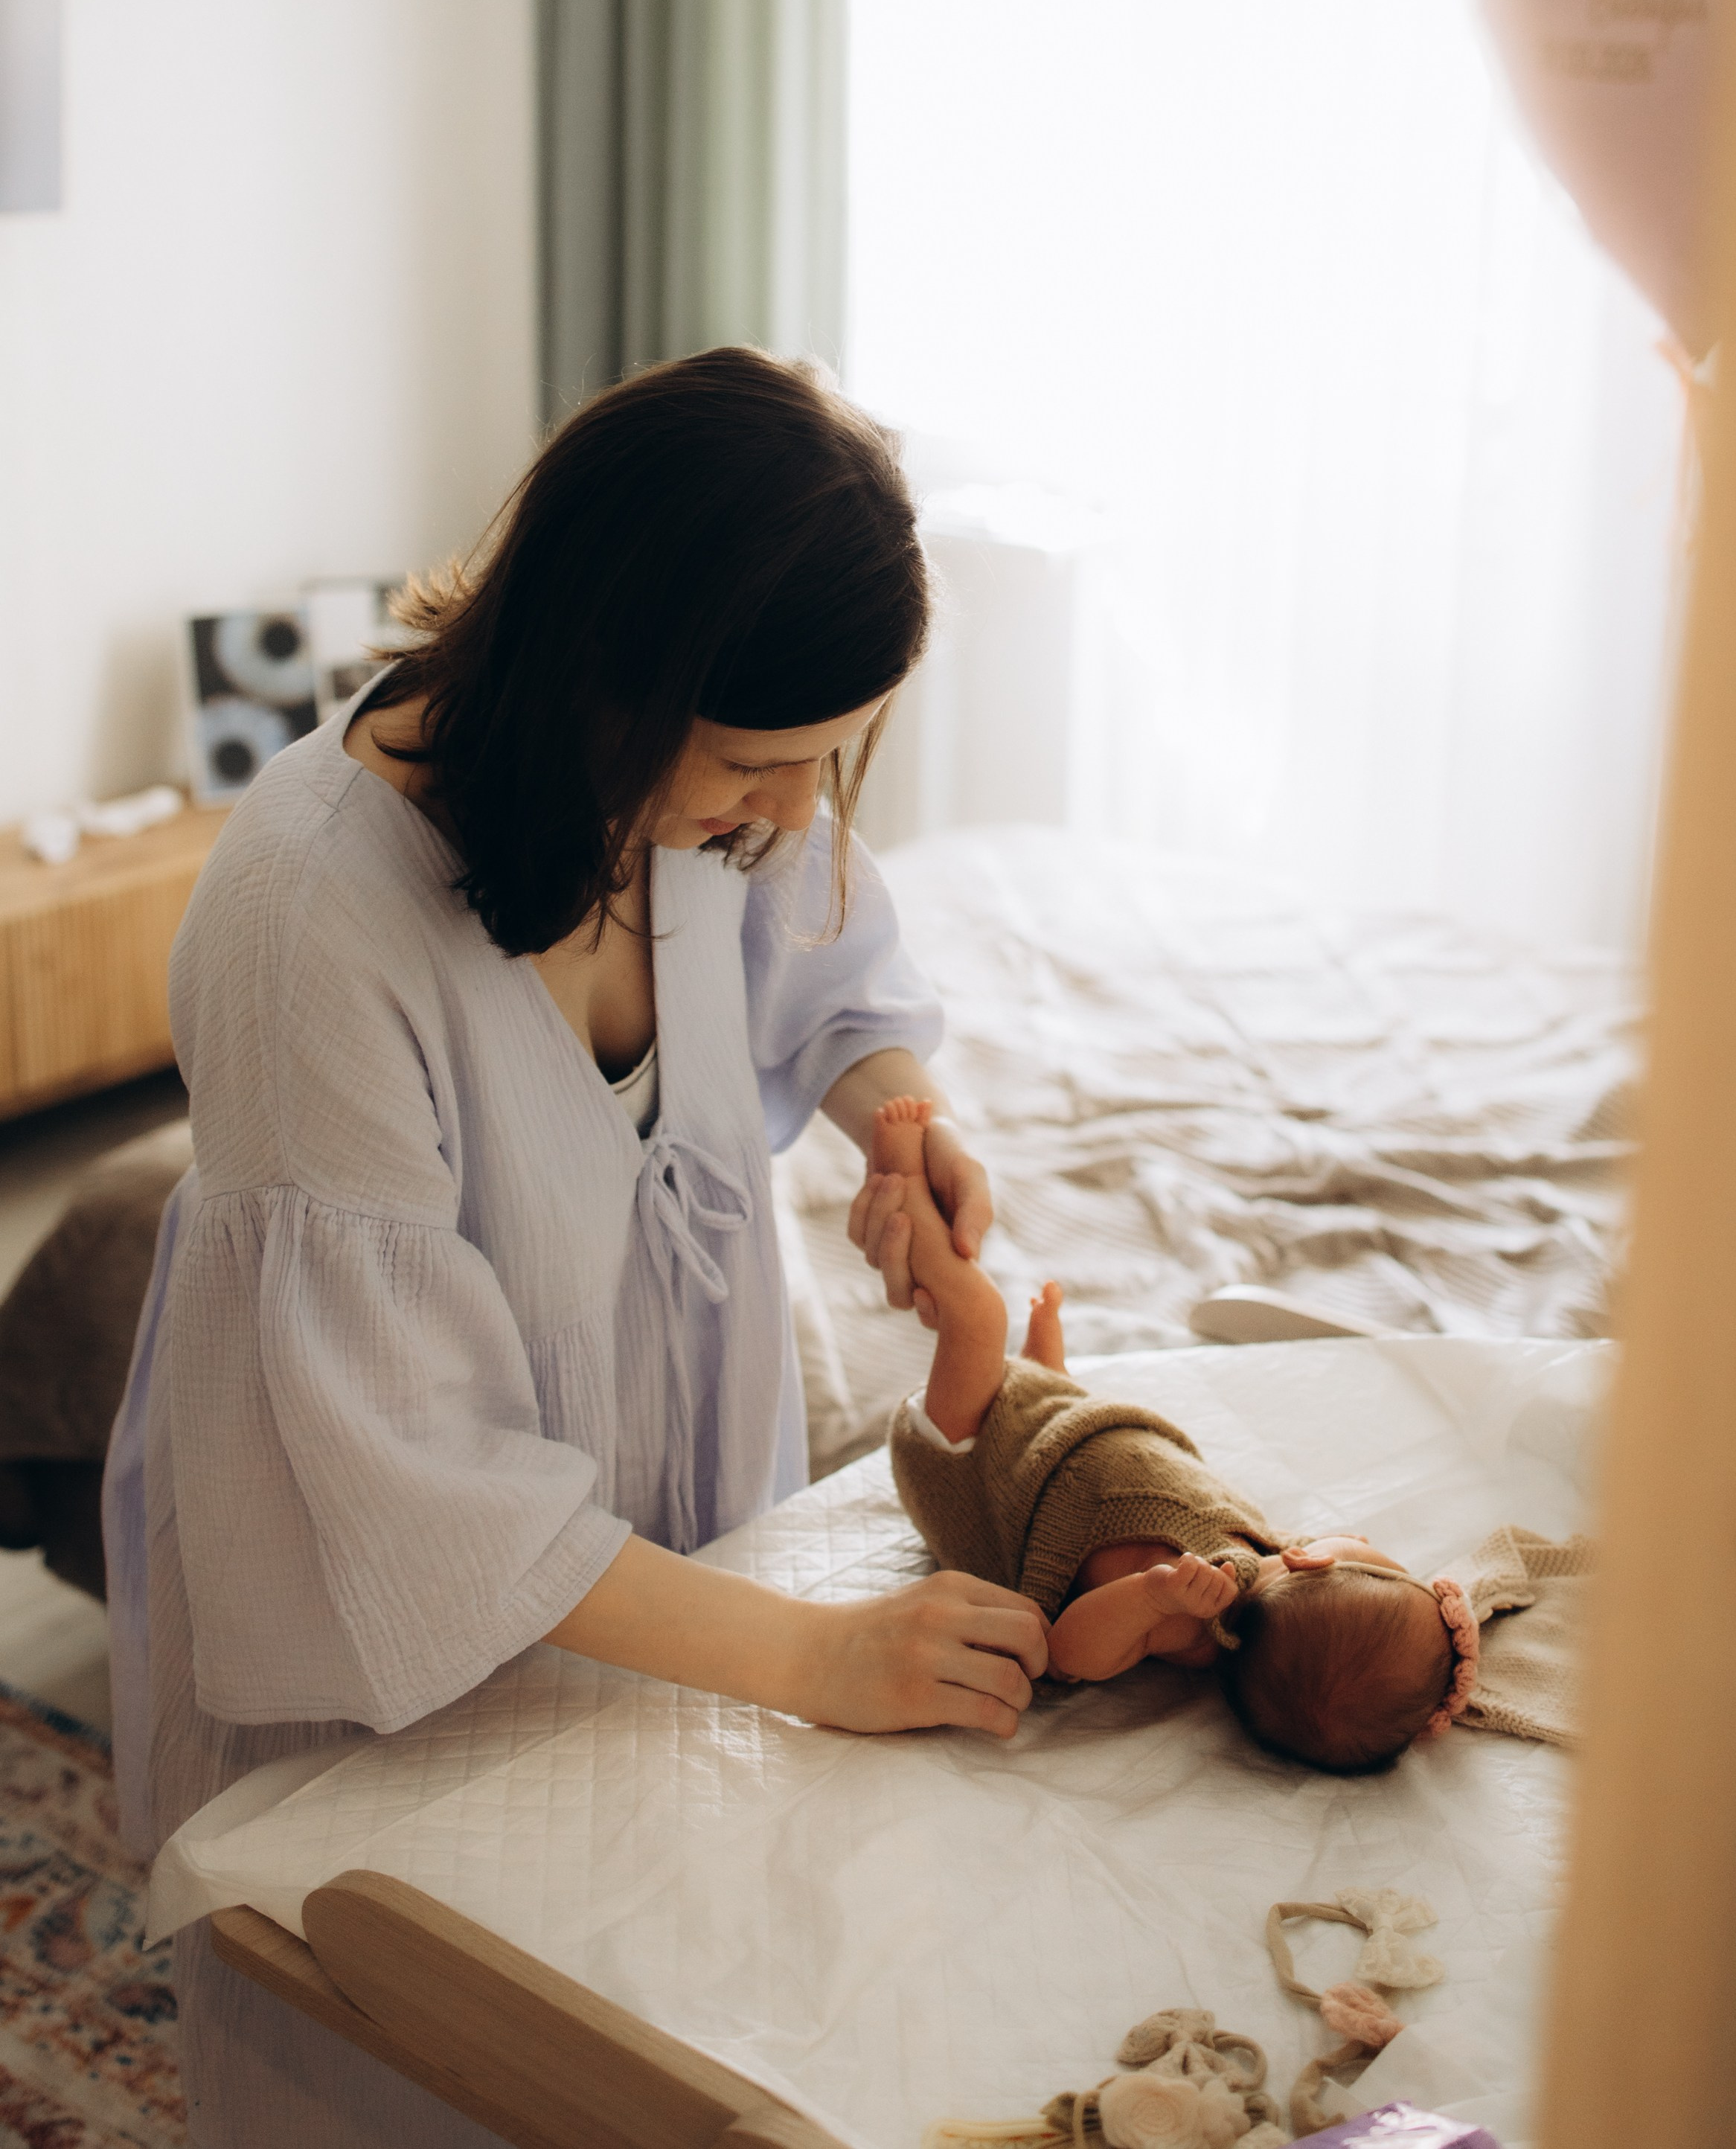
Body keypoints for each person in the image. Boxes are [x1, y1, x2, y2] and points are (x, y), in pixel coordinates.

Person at [102, 350, 1048, 2149]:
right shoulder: (311, 917)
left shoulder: (684, 797)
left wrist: (896, 1113)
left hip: (668, 1579)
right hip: (402, 1662)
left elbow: (830, 952)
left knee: (656, 2058)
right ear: (614, 667)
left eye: (818, 763)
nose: (785, 811)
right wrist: (821, 1662)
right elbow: (426, 1490)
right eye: (758, 762)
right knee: (430, 2082)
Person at [875, 1097, 1479, 1772]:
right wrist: (1054, 1387)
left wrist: (1148, 1595)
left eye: (1374, 1554)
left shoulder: (1187, 1622)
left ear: (1316, 1562)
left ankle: (898, 1183)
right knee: (1061, 1415)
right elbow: (1125, 1485)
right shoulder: (1249, 1552)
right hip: (1047, 1438)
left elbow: (1069, 1653)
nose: (1365, 1539)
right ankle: (1048, 1378)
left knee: (975, 1313)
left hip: (964, 1460)